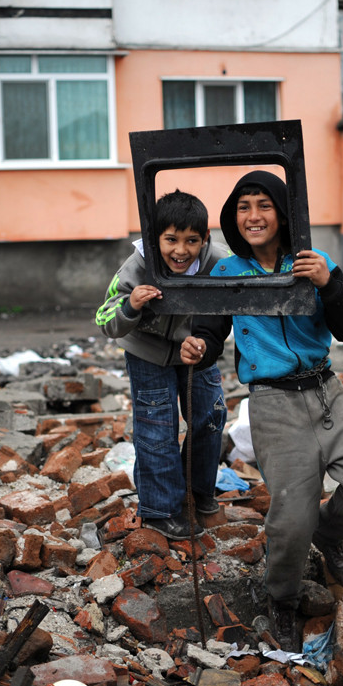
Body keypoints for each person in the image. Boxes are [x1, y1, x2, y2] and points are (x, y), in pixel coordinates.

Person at [180, 170, 343, 651]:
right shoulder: (227, 273)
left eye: (263, 205)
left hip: (326, 393)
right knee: (289, 519)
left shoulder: (314, 263)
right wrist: (198, 344)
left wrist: (331, 281)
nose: (253, 216)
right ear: (234, 218)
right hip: (272, 402)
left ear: (283, 213)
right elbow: (211, 332)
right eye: (243, 207)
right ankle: (282, 598)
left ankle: (330, 535)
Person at [95, 190, 227, 539]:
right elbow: (104, 317)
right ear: (155, 239)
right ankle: (161, 509)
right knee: (157, 428)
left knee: (210, 416)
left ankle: (199, 495)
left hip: (195, 350)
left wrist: (206, 342)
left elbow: (234, 307)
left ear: (205, 240)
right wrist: (131, 306)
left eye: (191, 241)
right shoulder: (138, 265)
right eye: (170, 239)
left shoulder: (219, 264)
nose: (180, 251)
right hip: (147, 353)